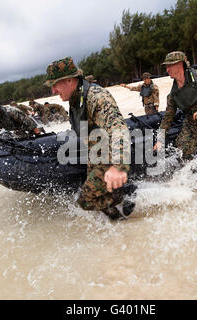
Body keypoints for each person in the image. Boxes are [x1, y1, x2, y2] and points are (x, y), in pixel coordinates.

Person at [45, 56, 135, 220]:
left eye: (55, 85)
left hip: (109, 158)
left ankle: (129, 195)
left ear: (70, 80)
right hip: (95, 157)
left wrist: (119, 166)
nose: (53, 91)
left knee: (85, 201)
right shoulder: (75, 100)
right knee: (98, 199)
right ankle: (120, 220)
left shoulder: (96, 97)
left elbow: (118, 128)